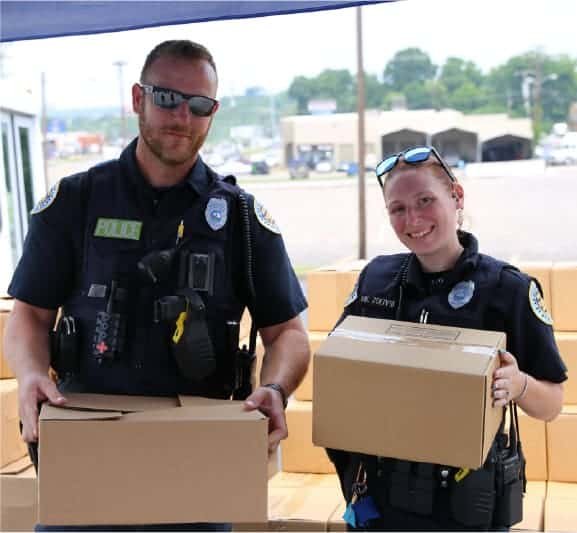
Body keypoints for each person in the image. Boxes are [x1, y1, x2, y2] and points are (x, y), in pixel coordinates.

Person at [4, 40, 310, 531]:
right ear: (137, 98)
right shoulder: (75, 203)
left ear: (213, 112)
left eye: (199, 105)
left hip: (197, 464)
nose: (181, 117)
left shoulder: (241, 220)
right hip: (89, 452)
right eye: (167, 98)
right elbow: (29, 316)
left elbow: (287, 333)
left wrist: (275, 388)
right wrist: (30, 374)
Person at [326, 145, 567, 531]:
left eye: (425, 201)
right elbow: (338, 368)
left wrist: (518, 384)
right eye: (398, 209)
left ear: (456, 197)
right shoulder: (377, 279)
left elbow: (552, 403)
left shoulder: (508, 289)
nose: (413, 219)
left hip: (467, 508)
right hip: (385, 504)